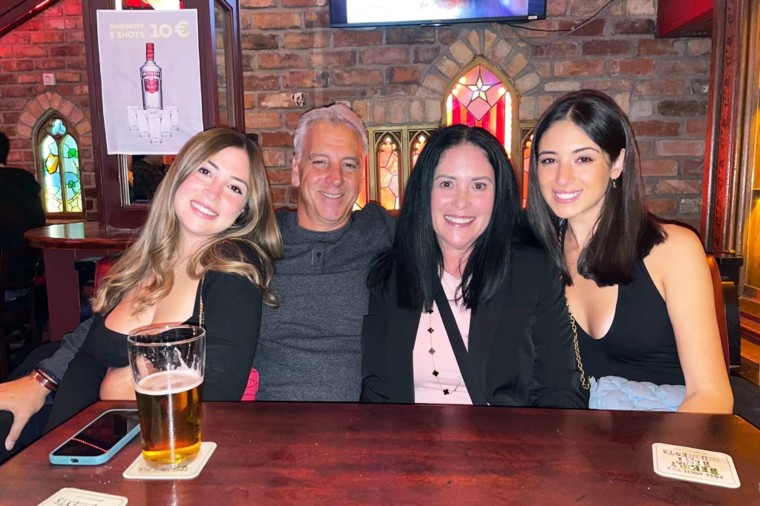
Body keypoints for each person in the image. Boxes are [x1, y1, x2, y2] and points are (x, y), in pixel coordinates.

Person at [44, 127, 282, 429]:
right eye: (206, 171)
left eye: (235, 188)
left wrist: (118, 385)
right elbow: (86, 364)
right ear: (180, 175)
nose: (213, 192)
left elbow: (218, 395)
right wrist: (60, 445)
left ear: (244, 211)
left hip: (171, 452)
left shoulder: (234, 272)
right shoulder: (139, 263)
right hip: (97, 445)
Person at [526, 90, 733, 413]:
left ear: (617, 163)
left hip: (668, 437)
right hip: (576, 444)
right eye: (549, 160)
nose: (562, 178)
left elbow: (712, 395)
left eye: (583, 158)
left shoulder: (673, 249)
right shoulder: (535, 256)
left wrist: (652, 458)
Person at [361, 124, 586, 407]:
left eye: (478, 186)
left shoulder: (533, 272)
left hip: (504, 445)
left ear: (498, 196)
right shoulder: (391, 276)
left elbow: (559, 388)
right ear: (424, 191)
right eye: (446, 183)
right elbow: (376, 391)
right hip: (412, 445)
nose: (461, 201)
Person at [253, 103, 395, 401]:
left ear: (361, 175)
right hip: (268, 426)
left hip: (365, 424)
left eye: (349, 164)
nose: (336, 178)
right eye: (320, 162)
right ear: (296, 170)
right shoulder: (258, 241)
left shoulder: (381, 231)